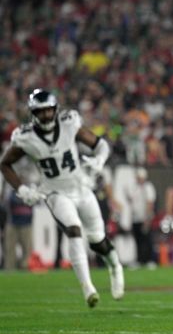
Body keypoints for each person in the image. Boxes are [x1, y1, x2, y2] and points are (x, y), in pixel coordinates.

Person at [0, 89, 125, 306]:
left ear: (56, 110)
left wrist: (100, 160)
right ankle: (88, 288)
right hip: (55, 192)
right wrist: (21, 189)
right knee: (73, 230)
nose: (46, 116)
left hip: (81, 188)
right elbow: (5, 163)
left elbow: (101, 144)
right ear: (33, 114)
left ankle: (115, 266)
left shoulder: (69, 123)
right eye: (41, 112)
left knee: (97, 240)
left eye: (49, 111)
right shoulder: (26, 137)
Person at [127, 168, 156, 267]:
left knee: (147, 240)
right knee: (138, 240)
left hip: (145, 218)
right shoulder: (135, 188)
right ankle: (139, 260)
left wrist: (147, 218)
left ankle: (150, 260)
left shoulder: (148, 187)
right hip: (136, 218)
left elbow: (149, 203)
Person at [2, 182, 33, 271]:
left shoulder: (30, 192)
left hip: (26, 224)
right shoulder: (11, 193)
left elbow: (32, 202)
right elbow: (11, 202)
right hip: (13, 223)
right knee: (10, 248)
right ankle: (10, 268)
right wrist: (25, 199)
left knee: (27, 249)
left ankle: (25, 267)